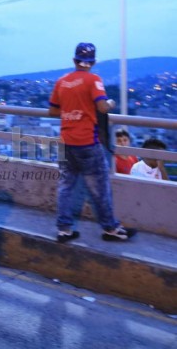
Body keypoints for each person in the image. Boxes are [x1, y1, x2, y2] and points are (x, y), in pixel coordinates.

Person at [48, 42, 136, 243]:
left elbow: (52, 111)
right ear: (93, 62)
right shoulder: (93, 79)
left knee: (65, 186)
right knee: (100, 188)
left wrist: (71, 111)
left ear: (74, 60)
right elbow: (103, 107)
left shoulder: (62, 81)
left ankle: (64, 229)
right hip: (87, 142)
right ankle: (111, 228)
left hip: (66, 142)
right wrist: (111, 103)